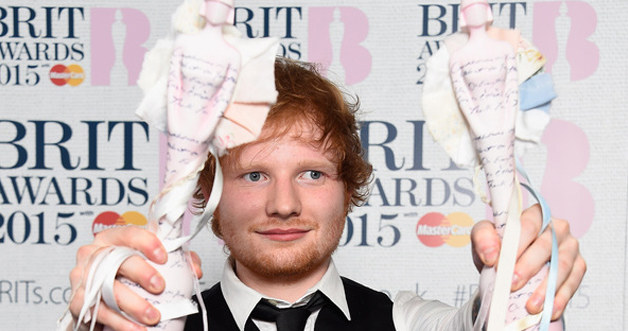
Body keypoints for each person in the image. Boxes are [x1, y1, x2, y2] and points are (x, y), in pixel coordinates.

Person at [66, 58, 586, 331]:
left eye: (313, 174)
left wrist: (521, 286)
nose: (285, 203)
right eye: (253, 175)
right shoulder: (162, 322)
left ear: (348, 190)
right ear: (209, 201)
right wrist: (93, 319)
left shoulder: (404, 322)